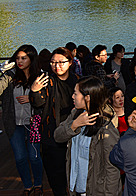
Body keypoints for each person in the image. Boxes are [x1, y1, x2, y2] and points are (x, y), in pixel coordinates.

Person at [0, 45, 44, 196]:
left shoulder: (40, 76)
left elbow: (46, 98)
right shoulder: (10, 75)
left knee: (34, 156)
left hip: (33, 122)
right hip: (14, 123)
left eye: (24, 58)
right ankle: (27, 186)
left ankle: (38, 185)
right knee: (20, 157)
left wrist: (31, 97)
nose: (19, 61)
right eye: (17, 58)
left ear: (32, 58)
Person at [54, 76, 121, 196]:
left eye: (76, 93)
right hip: (75, 185)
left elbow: (112, 169)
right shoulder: (76, 114)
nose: (72, 96)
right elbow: (58, 136)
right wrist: (74, 125)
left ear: (88, 97)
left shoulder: (105, 127)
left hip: (94, 189)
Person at [30, 47, 78, 196]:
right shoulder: (46, 81)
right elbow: (37, 104)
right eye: (53, 63)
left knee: (75, 174)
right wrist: (34, 91)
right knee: (56, 176)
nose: (56, 66)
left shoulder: (77, 81)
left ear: (70, 62)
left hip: (74, 134)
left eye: (61, 62)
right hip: (52, 135)